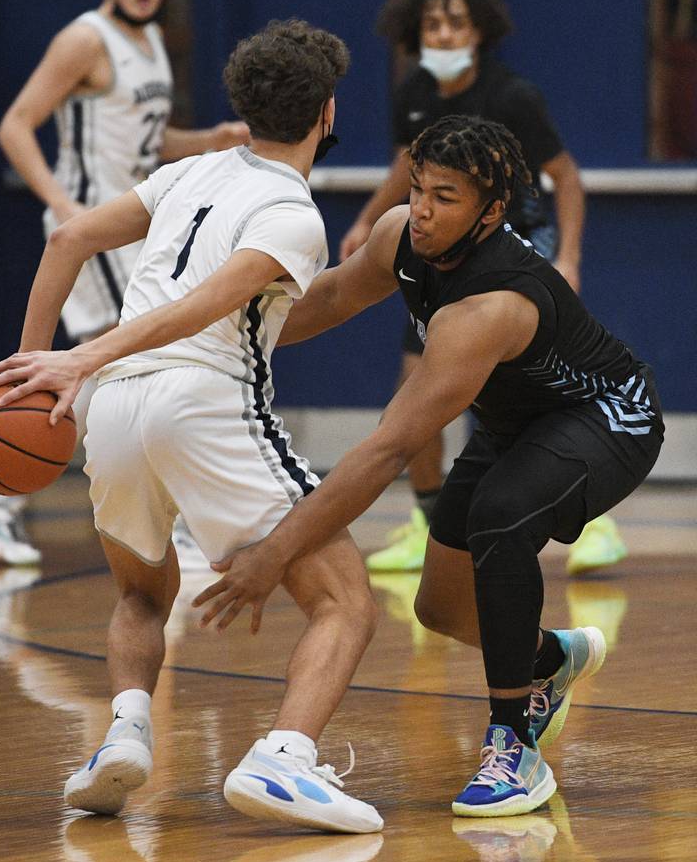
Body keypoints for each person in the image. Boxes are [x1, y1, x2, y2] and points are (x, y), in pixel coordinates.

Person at [195, 116, 664, 817]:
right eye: (417, 188)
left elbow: (386, 448)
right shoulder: (399, 235)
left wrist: (276, 552)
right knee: (441, 608)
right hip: (517, 424)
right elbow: (328, 297)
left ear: (492, 211)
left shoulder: (491, 303)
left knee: (499, 518)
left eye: (444, 196)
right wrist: (214, 340)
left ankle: (514, 746)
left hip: (608, 418)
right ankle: (545, 658)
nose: (420, 209)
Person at [0, 19, 383, 833]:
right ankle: (286, 759)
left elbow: (67, 237)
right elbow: (206, 303)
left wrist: (39, 366)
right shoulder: (291, 210)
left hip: (115, 409)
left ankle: (123, 734)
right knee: (345, 599)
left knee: (139, 589)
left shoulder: (188, 169)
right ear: (328, 113)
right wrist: (76, 357)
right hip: (197, 400)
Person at [0, 0, 247, 567]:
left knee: (116, 365)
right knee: (127, 360)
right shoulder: (85, 37)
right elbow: (16, 126)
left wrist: (209, 140)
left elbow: (147, 140)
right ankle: (2, 491)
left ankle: (6, 490)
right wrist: (63, 204)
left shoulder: (150, 43)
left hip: (132, 225)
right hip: (89, 226)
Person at [338, 0, 618, 577]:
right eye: (433, 24)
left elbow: (566, 178)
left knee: (530, 400)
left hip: (515, 252)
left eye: (456, 23)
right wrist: (365, 222)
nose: (444, 33)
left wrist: (566, 258)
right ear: (417, 33)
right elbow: (406, 164)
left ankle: (594, 523)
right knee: (414, 389)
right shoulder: (414, 90)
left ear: (479, 31)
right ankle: (425, 523)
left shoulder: (512, 96)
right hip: (445, 258)